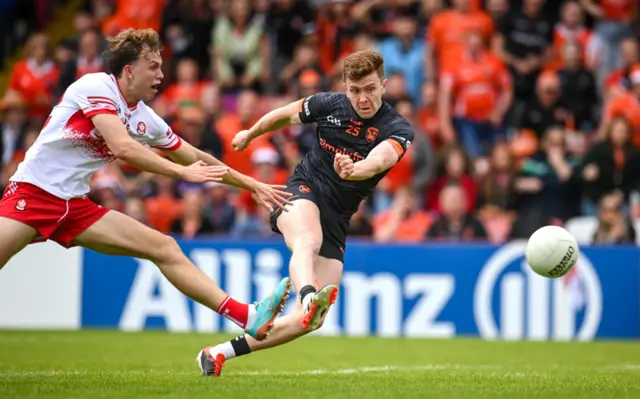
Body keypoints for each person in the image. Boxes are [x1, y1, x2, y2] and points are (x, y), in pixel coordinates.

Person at [0, 28, 293, 342]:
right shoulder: (95, 86)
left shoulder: (145, 118)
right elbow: (123, 147)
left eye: (161, 66)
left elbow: (194, 155)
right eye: (153, 66)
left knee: (163, 247)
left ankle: (247, 315)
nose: (161, 74)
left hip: (74, 206)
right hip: (33, 195)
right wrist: (181, 174)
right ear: (129, 70)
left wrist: (252, 184)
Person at [198, 49, 415, 376]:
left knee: (307, 321)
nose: (363, 98)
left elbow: (381, 160)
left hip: (338, 217)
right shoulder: (330, 104)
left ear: (384, 86)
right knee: (307, 241)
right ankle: (309, 292)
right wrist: (250, 133)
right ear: (345, 87)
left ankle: (217, 353)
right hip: (302, 190)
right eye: (355, 90)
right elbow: (283, 115)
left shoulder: (397, 127)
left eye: (370, 89)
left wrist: (355, 170)